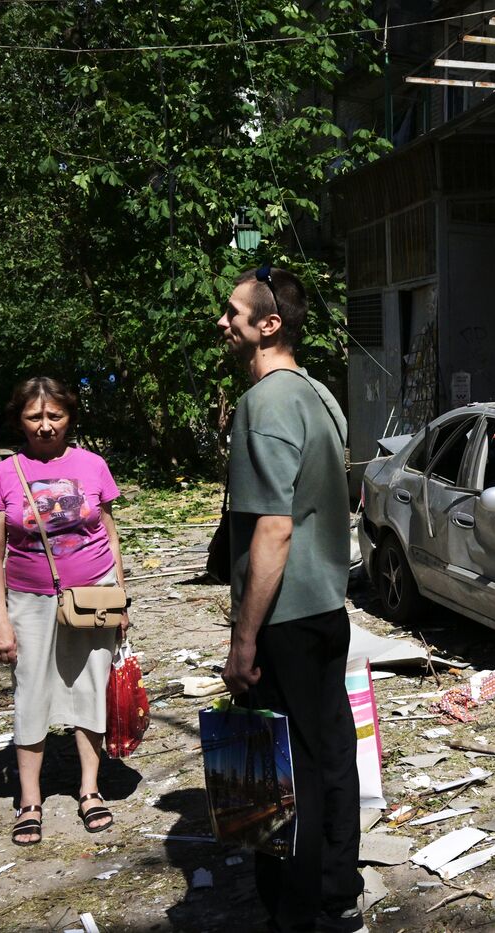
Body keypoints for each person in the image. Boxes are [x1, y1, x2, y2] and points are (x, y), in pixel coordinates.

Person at [216, 266, 361, 933]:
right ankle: (336, 889)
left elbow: (273, 526)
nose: (224, 322)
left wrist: (243, 639)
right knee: (330, 751)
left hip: (286, 616)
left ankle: (298, 909)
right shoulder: (319, 395)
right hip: (326, 605)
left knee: (285, 766)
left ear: (267, 324)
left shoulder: (265, 402)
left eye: (234, 312)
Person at [0, 376, 128, 846]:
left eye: (54, 416)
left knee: (90, 689)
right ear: (19, 420)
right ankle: (29, 801)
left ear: (69, 416)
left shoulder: (92, 465)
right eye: (34, 417)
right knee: (31, 695)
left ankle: (90, 789)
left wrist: (121, 597)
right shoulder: (4, 474)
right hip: (30, 601)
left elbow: (109, 533)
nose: (45, 426)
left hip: (94, 597)